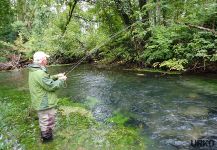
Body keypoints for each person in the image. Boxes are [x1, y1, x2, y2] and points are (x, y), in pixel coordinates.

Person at [28, 51, 67, 142]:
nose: (47, 60)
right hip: (44, 103)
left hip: (40, 102)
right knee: (47, 123)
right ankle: (47, 142)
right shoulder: (39, 73)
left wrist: (57, 76)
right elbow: (51, 86)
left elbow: (46, 78)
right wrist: (61, 80)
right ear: (42, 60)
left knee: (45, 122)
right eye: (46, 59)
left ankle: (45, 138)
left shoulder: (35, 70)